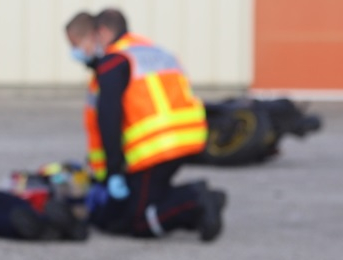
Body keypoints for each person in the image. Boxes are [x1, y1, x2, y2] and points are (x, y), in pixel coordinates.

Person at [66, 8, 226, 241]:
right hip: (186, 136)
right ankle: (199, 204)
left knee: (138, 221)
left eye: (77, 44)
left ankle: (196, 200)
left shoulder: (113, 61)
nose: (77, 52)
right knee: (147, 198)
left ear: (102, 33)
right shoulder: (151, 51)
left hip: (155, 148)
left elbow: (108, 118)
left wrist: (113, 170)